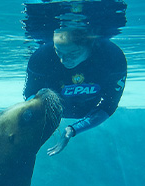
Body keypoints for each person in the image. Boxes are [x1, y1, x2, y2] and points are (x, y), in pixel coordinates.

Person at [23, 28, 127, 156]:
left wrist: (74, 129)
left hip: (87, 110)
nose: (63, 60)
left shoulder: (112, 58)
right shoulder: (41, 57)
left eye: (72, 54)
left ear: (90, 45)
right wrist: (41, 119)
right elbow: (30, 95)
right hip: (55, 110)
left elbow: (109, 104)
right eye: (58, 52)